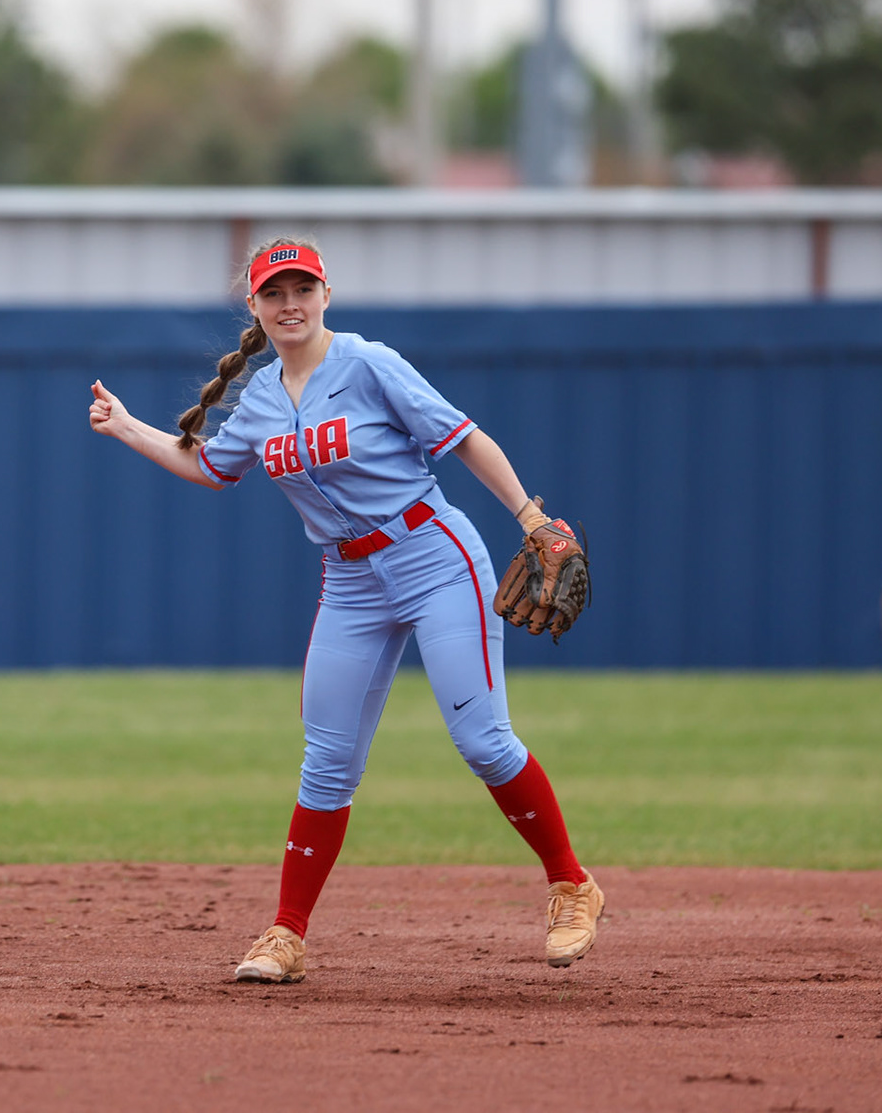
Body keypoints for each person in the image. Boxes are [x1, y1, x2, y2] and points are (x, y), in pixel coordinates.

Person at [87, 238, 603, 983]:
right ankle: (285, 935)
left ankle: (572, 886)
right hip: (351, 579)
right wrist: (128, 425)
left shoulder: (368, 363)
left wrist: (531, 519)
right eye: (274, 293)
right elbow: (208, 467)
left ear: (326, 293)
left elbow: (466, 439)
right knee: (327, 762)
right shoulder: (262, 396)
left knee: (483, 740)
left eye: (302, 289)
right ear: (255, 307)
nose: (289, 304)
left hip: (432, 557)